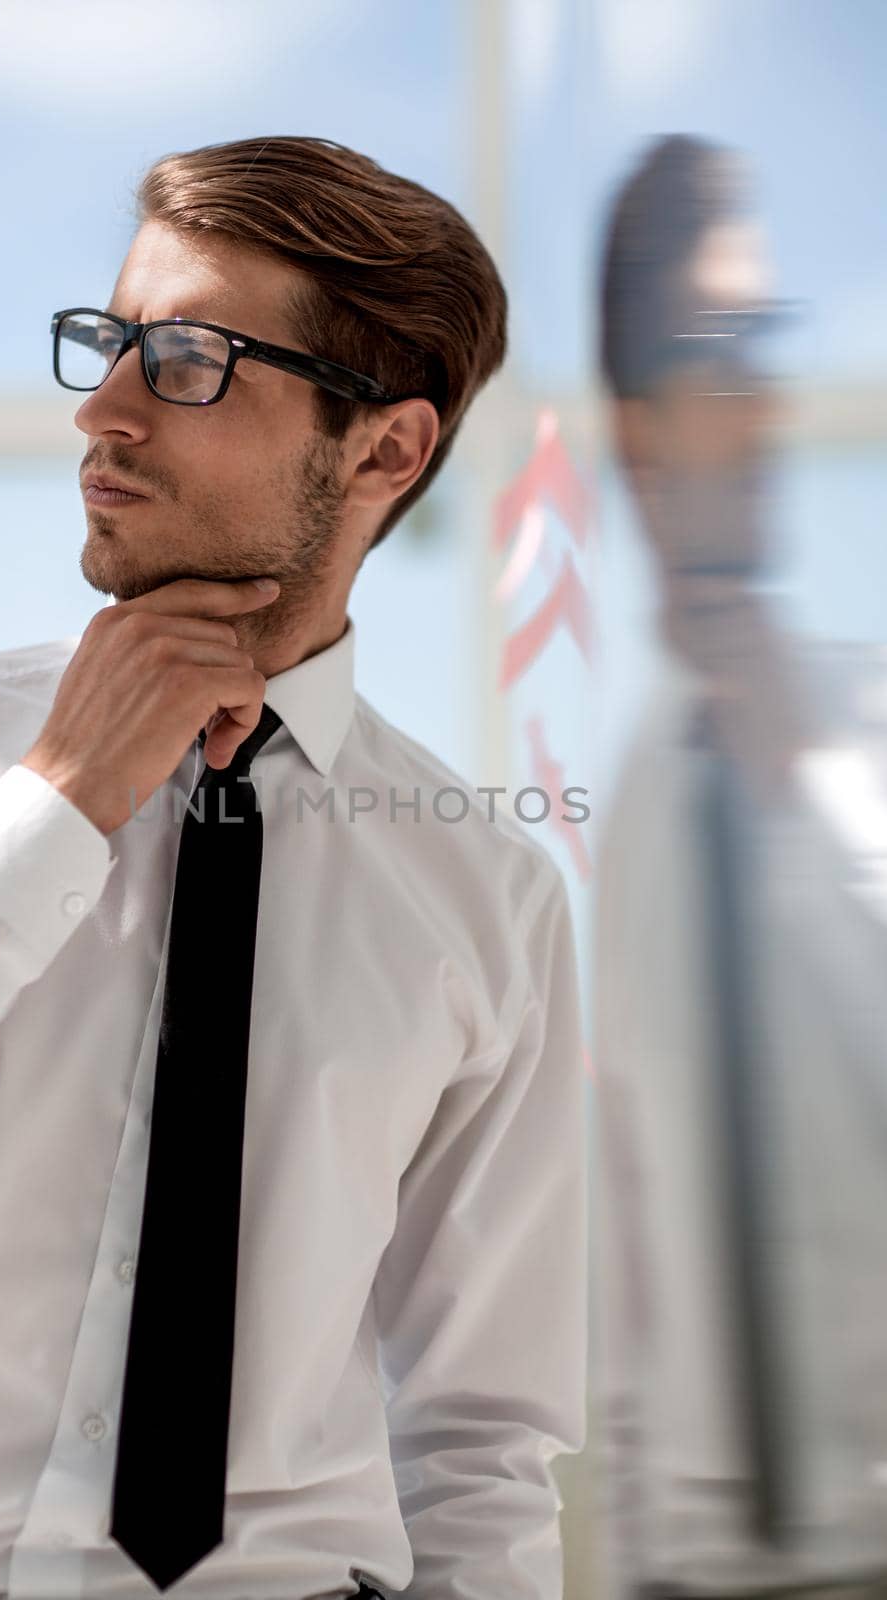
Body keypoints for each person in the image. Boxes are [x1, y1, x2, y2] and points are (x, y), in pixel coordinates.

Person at [0, 135, 586, 1600]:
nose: (101, 412)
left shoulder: (488, 898)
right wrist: (58, 803)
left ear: (384, 448)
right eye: (108, 346)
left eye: (186, 361)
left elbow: (483, 1443)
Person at [590, 133, 887, 1600]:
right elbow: (635, 1247)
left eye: (771, 338)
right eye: (724, 345)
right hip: (700, 1572)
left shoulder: (872, 735)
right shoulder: (635, 803)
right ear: (638, 429)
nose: (765, 396)